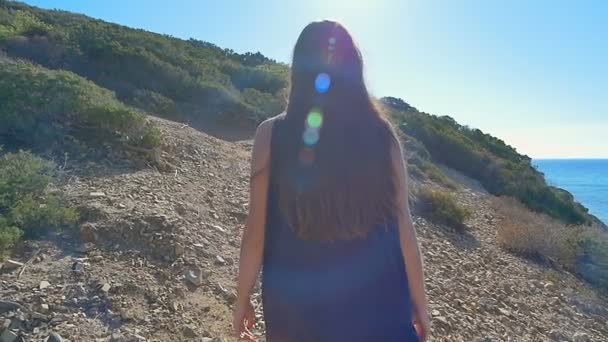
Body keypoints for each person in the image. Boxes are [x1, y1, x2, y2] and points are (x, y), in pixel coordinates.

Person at [233, 20, 429, 341]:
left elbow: (256, 230)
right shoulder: (383, 136)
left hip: (296, 314)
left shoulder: (271, 135)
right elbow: (404, 226)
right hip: (381, 311)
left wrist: (242, 298)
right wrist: (420, 303)